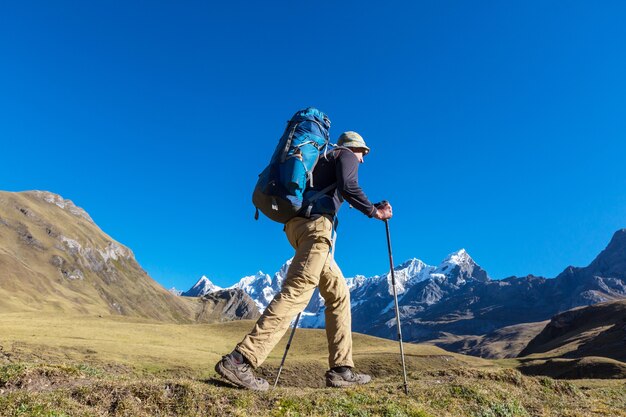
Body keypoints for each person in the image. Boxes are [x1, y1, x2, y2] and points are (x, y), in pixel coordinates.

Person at [215, 131, 393, 391]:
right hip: (317, 230)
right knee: (297, 293)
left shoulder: (321, 161)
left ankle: (342, 369)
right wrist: (375, 212)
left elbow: (338, 191)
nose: (363, 159)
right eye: (362, 153)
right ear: (353, 147)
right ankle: (240, 360)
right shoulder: (345, 155)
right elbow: (349, 186)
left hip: (299, 228)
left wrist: (367, 204)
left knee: (339, 294)